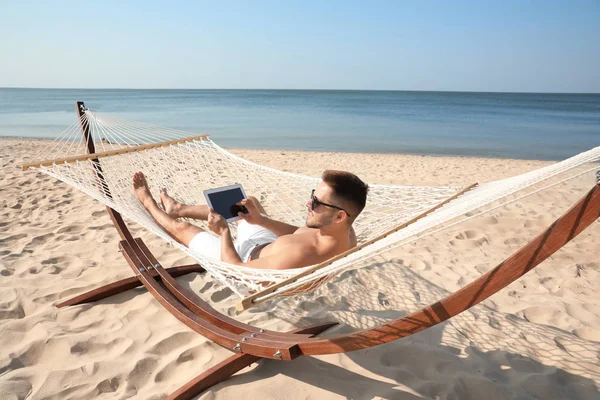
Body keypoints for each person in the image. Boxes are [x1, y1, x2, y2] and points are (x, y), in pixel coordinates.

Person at [132, 170, 368, 270]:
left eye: (316, 203)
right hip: (265, 244)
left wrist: (224, 233)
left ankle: (148, 202)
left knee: (183, 228)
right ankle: (177, 207)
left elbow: (237, 271)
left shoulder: (301, 256)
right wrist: (262, 221)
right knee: (243, 209)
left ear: (339, 216)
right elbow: (300, 233)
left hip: (239, 258)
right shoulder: (344, 233)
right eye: (311, 196)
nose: (309, 204)